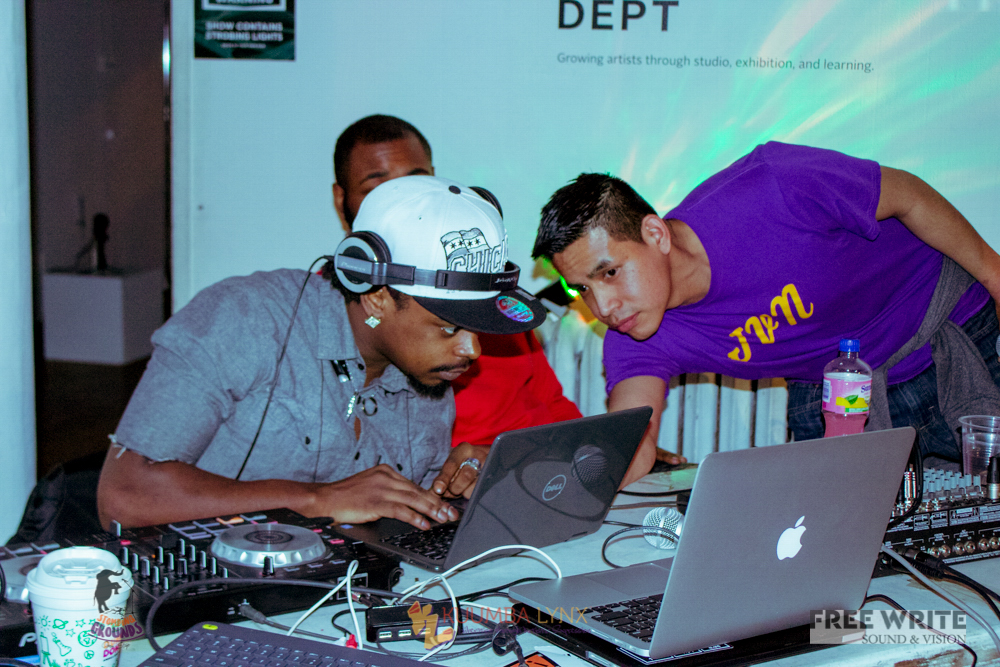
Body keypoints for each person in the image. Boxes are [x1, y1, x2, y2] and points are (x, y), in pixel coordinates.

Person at [532, 142, 1000, 485]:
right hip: (836, 397)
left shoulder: (771, 185)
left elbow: (908, 194)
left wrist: (996, 277)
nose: (602, 307)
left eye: (610, 272)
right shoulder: (634, 335)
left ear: (655, 234)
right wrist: (562, 486)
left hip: (953, 338)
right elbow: (632, 442)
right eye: (582, 289)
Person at [97, 175, 547, 530]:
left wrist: (456, 485)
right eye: (449, 326)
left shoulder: (429, 369)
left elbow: (393, 506)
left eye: (477, 327)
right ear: (376, 297)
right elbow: (123, 496)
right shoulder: (244, 319)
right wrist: (316, 499)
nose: (471, 349)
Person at [332, 114, 581, 447]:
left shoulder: (492, 299)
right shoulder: (362, 327)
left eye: (418, 183)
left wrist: (596, 452)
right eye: (380, 188)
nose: (407, 202)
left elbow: (553, 404)